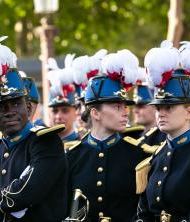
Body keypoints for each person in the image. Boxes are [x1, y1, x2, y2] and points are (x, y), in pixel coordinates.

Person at [0, 24, 68, 222]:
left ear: (28, 108)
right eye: (1, 107)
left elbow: (28, 192)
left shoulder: (46, 143)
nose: (10, 111)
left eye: (15, 104)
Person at [66, 50, 148, 222]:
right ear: (95, 113)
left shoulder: (138, 154)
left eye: (125, 106)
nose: (126, 112)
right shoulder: (72, 156)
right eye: (117, 107)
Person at [134, 41, 190, 221]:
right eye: (158, 108)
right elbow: (144, 213)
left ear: (189, 112)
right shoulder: (157, 156)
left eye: (169, 108)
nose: (161, 114)